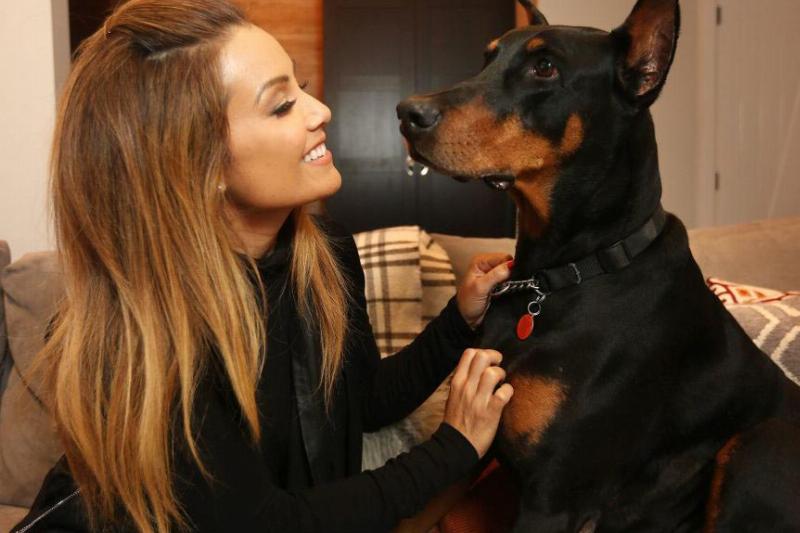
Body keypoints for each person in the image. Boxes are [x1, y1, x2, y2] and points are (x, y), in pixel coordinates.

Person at [13, 1, 515, 531]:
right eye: (281, 105)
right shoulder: (142, 337)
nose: (320, 110)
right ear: (199, 164)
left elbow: (360, 403)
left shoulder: (326, 255)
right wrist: (453, 449)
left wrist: (458, 321)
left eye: (301, 88)